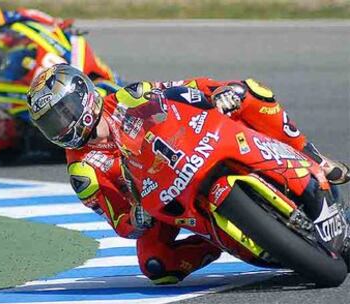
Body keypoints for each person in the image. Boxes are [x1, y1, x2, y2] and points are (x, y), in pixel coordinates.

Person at [27, 64, 349, 284]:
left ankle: (313, 156)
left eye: (64, 113)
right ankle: (221, 239)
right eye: (51, 123)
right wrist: (135, 218)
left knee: (251, 91)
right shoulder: (83, 171)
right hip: (160, 198)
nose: (63, 125)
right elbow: (120, 221)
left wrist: (220, 93)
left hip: (196, 146)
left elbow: (185, 89)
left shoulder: (128, 96)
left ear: (84, 95)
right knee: (157, 266)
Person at [0, 1, 120, 162]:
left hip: (14, 52)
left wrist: (53, 24)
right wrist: (2, 131)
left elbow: (23, 15)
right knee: (4, 148)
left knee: (65, 38)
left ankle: (103, 82)